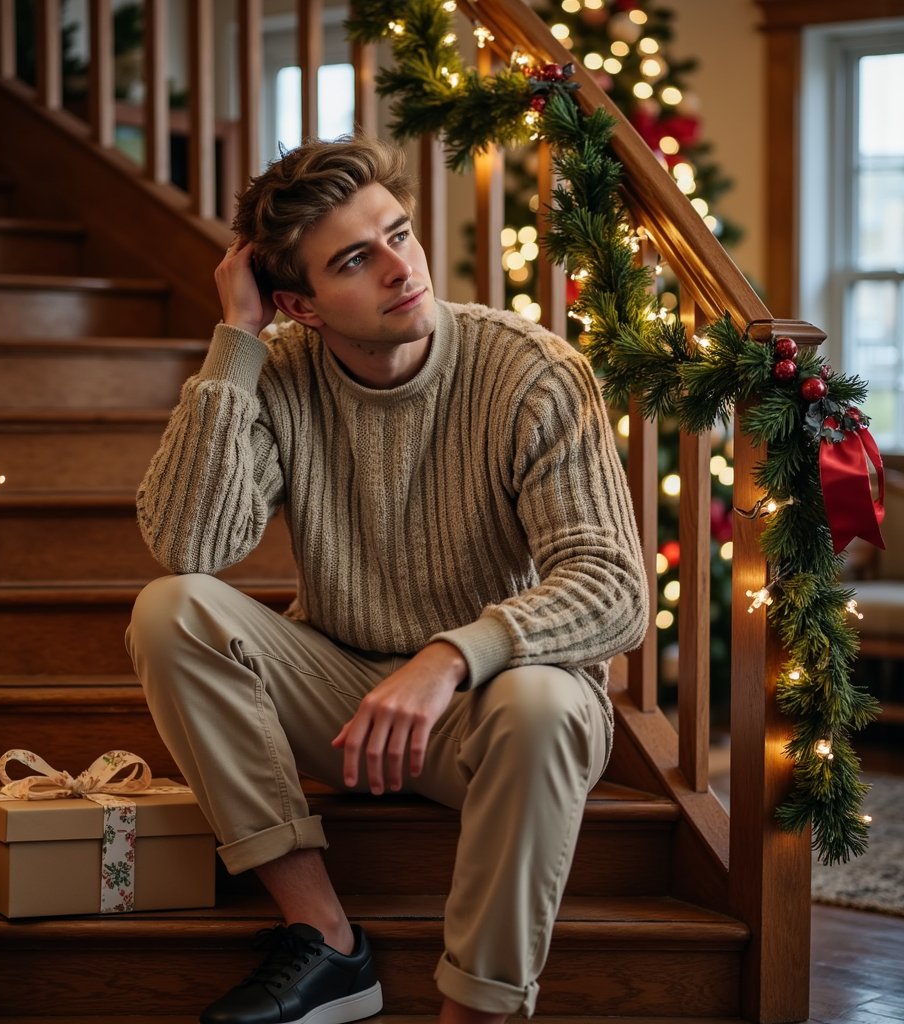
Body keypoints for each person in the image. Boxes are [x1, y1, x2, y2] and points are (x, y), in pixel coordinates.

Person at [126, 135, 648, 1024]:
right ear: (301, 304)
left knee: (548, 705)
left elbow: (614, 586)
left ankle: (477, 1010)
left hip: (490, 708)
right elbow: (189, 545)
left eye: (399, 235)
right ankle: (326, 941)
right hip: (344, 700)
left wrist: (451, 656)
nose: (402, 269)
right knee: (170, 610)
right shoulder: (279, 374)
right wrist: (235, 345)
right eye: (356, 260)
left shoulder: (531, 372)